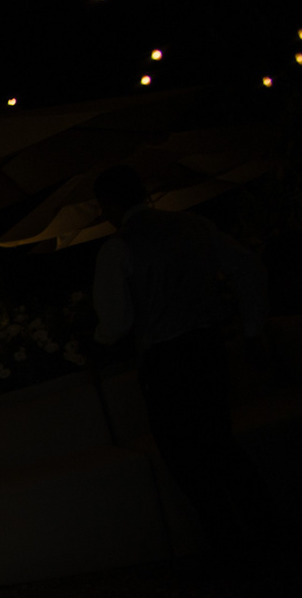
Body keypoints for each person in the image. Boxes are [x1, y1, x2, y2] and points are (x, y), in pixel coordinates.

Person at [92, 164, 269, 544]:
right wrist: (252, 331)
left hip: (165, 362)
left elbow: (117, 321)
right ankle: (262, 528)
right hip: (208, 348)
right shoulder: (193, 226)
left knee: (184, 458)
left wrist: (98, 342)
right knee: (220, 442)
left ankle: (227, 538)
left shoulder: (118, 248)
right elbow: (247, 267)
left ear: (108, 204)